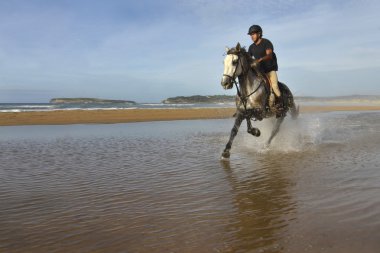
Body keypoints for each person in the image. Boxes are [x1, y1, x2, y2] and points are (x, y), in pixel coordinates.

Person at [247, 25, 283, 111]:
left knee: (274, 86)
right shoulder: (251, 47)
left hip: (270, 70)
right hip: (260, 72)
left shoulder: (266, 43)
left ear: (259, 34)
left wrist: (260, 60)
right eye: (250, 35)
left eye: (253, 34)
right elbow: (248, 58)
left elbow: (269, 55)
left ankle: (281, 105)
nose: (251, 36)